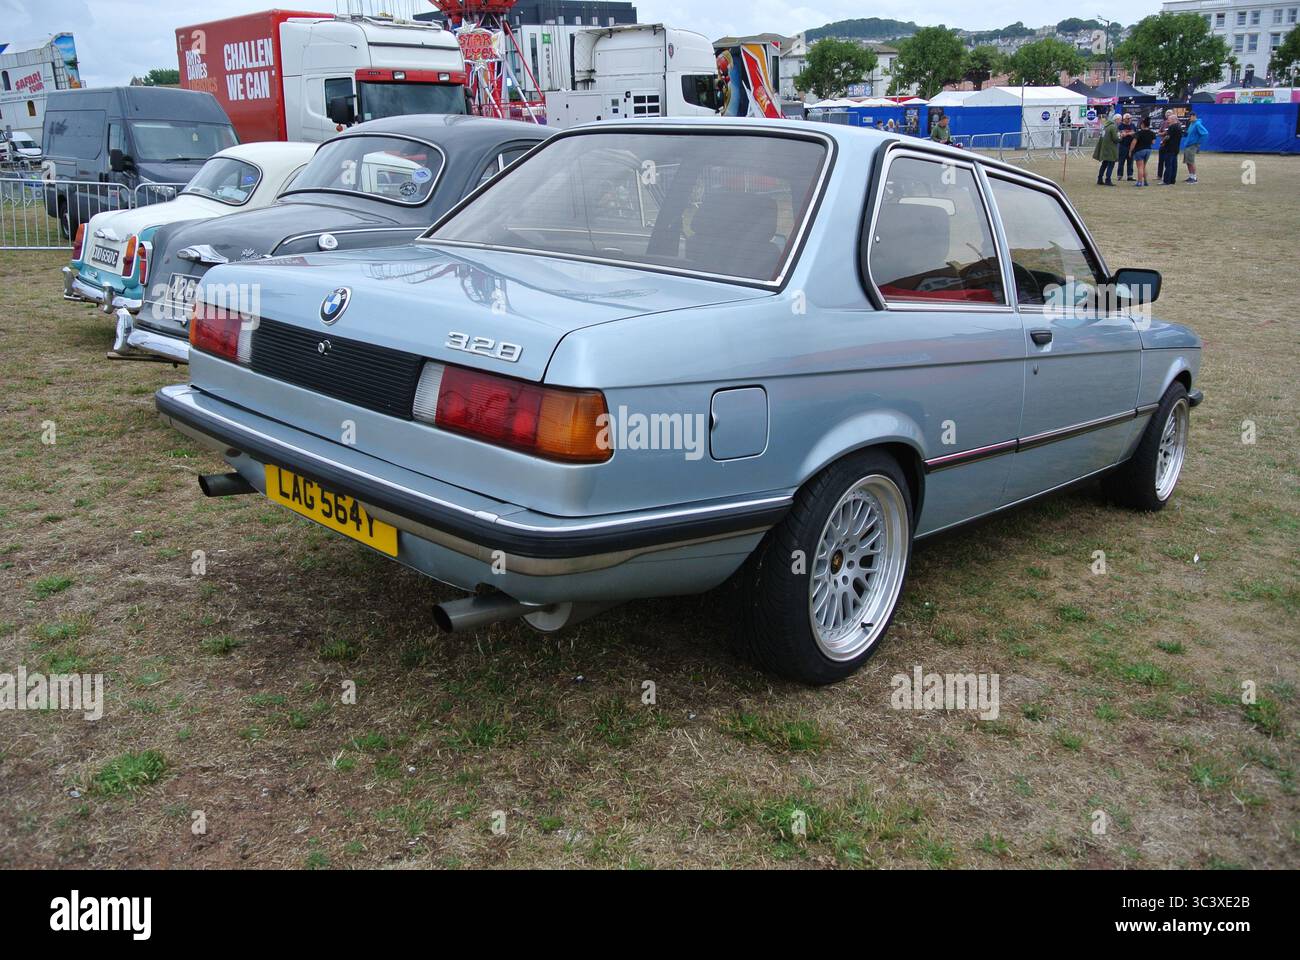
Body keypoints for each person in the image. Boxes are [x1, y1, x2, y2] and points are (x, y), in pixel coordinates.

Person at [1181, 110, 1208, 184]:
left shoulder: (1197, 124)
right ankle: (1191, 176)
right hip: (1187, 145)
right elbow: (1190, 134)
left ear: (1194, 116)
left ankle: (1194, 178)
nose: (1189, 118)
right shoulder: (1191, 124)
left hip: (1192, 145)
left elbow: (1205, 133)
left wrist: (1198, 143)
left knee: (1191, 161)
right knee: (1188, 161)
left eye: (1190, 116)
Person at [1093, 112, 1119, 185]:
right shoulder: (1113, 127)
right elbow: (1116, 139)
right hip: (1111, 149)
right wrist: (1121, 137)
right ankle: (1108, 180)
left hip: (1105, 148)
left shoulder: (1105, 127)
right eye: (1119, 120)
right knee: (1111, 164)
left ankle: (1100, 179)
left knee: (1104, 164)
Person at [1159, 112, 1184, 185]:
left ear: (1173, 120)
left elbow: (1167, 136)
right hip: (1176, 148)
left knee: (1168, 165)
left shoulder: (1172, 127)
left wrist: (1162, 141)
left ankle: (1166, 181)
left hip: (1169, 148)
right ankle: (1172, 180)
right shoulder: (1179, 126)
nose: (1168, 121)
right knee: (1174, 165)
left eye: (1169, 120)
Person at [1131, 116, 1156, 186]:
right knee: (1144, 166)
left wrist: (1130, 151)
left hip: (1139, 150)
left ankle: (1139, 182)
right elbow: (1153, 142)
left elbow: (1134, 142)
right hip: (1148, 150)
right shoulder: (1152, 133)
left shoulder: (1139, 133)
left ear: (1142, 124)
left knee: (1140, 167)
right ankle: (1145, 181)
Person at [1115, 113, 1136, 181]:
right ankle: (1119, 175)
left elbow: (1134, 133)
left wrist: (1126, 134)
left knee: (1130, 161)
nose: (1130, 119)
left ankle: (1130, 176)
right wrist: (1128, 133)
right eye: (1128, 118)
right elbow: (1120, 135)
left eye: (1130, 118)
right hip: (1123, 145)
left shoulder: (1132, 125)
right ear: (1124, 119)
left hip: (1131, 146)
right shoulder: (1120, 126)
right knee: (1121, 161)